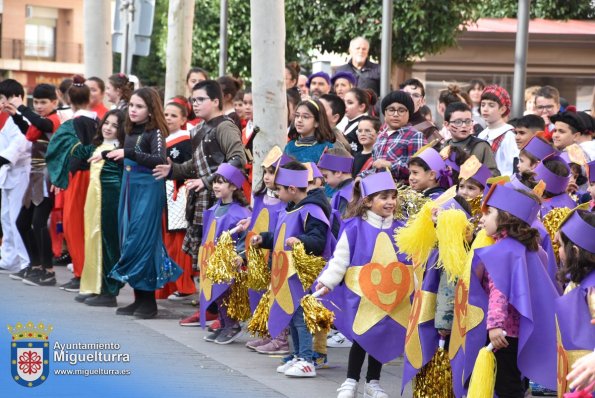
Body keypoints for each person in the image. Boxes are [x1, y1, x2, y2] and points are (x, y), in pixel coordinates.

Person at [316, 171, 411, 398]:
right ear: (368, 201)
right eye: (383, 197)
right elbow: (340, 259)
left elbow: (409, 262)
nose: (390, 202)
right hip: (360, 296)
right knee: (361, 337)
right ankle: (350, 380)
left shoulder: (402, 228)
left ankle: (373, 382)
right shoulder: (355, 227)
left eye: (392, 197)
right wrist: (328, 282)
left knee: (382, 335)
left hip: (390, 296)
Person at [152, 80, 246, 305]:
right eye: (194, 100)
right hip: (201, 200)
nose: (196, 104)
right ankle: (209, 306)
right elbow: (194, 165)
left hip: (221, 200)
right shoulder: (197, 129)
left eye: (201, 99)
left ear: (216, 101)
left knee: (219, 255)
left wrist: (207, 180)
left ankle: (219, 310)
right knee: (205, 254)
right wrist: (173, 170)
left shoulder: (225, 126)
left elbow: (238, 159)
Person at [464, 183, 559, 397]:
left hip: (502, 332)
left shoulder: (502, 251)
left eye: (489, 213)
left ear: (506, 218)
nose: (482, 219)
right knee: (513, 381)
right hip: (520, 330)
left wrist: (494, 325)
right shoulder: (533, 249)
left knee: (505, 385)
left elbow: (499, 292)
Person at [251, 161, 334, 378]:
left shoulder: (312, 209)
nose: (276, 193)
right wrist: (264, 239)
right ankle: (298, 355)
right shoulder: (291, 208)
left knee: (299, 316)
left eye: (278, 189)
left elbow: (318, 239)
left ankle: (307, 360)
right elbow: (281, 237)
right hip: (285, 273)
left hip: (300, 274)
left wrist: (300, 241)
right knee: (291, 315)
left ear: (292, 189)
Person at [106, 87, 182, 319]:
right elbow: (129, 156)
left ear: (151, 111)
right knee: (129, 240)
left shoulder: (156, 131)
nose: (133, 110)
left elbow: (158, 159)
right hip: (130, 188)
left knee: (142, 242)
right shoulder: (130, 130)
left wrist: (128, 153)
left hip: (148, 189)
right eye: (131, 106)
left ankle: (149, 302)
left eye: (139, 106)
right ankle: (140, 299)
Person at [46, 109, 125, 304]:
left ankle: (109, 291)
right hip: (93, 204)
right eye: (107, 123)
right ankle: (94, 286)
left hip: (110, 203)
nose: (108, 128)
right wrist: (67, 126)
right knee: (92, 241)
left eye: (115, 125)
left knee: (108, 245)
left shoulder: (120, 150)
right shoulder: (95, 147)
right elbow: (72, 150)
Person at [46, 75, 98, 291]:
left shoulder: (74, 122)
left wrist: (60, 176)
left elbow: (67, 153)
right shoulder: (98, 119)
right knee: (88, 225)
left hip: (78, 176)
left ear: (69, 98)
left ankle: (80, 272)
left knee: (74, 225)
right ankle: (86, 271)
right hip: (94, 175)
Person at [10, 83, 61, 283]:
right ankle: (36, 265)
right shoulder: (42, 121)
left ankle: (48, 272)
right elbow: (29, 131)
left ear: (54, 102)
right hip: (35, 176)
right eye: (36, 102)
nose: (39, 106)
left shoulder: (54, 119)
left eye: (43, 102)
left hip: (46, 176)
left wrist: (22, 108)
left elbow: (43, 126)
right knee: (22, 222)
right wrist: (15, 114)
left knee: (39, 223)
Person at [242, 147, 291, 353]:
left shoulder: (286, 202)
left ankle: (280, 339)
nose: (269, 177)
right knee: (259, 295)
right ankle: (266, 334)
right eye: (267, 173)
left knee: (276, 295)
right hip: (258, 256)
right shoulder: (260, 197)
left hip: (276, 256)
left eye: (273, 172)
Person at [199, 163, 251, 344]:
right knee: (217, 293)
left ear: (234, 187)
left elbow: (245, 238)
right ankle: (223, 323)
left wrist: (239, 255)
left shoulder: (240, 213)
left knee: (227, 293)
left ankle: (232, 324)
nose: (215, 186)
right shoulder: (214, 209)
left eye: (221, 182)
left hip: (230, 262)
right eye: (215, 182)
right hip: (213, 260)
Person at [155, 98, 195, 301]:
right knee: (166, 240)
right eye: (166, 114)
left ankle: (183, 284)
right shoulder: (160, 137)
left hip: (178, 194)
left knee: (178, 240)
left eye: (173, 115)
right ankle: (167, 285)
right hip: (163, 193)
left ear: (183, 119)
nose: (168, 118)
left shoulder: (185, 139)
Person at [555, 210, 595, 393]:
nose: (558, 251)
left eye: (561, 246)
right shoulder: (579, 281)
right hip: (578, 373)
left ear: (575, 252)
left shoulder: (592, 288)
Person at [0, 79, 31, 274]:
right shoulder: (7, 119)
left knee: (16, 218)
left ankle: (24, 260)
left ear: (14, 98)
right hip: (7, 172)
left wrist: (4, 158)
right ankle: (9, 257)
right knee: (6, 217)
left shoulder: (22, 119)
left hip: (20, 172)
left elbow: (21, 143)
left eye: (2, 98)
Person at [362, 91, 425, 182]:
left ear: (409, 114)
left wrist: (390, 165)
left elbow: (418, 170)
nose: (395, 114)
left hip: (402, 192)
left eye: (401, 110)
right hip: (378, 190)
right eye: (391, 110)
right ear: (385, 112)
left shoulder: (415, 136)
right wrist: (361, 176)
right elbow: (375, 166)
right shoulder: (380, 135)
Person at [443, 102, 499, 176]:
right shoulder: (445, 146)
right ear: (447, 125)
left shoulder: (481, 146)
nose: (464, 125)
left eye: (468, 121)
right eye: (458, 122)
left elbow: (494, 175)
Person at [478, 84, 518, 176]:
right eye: (483, 105)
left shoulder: (509, 135)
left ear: (502, 109)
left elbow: (513, 168)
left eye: (491, 105)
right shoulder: (482, 134)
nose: (485, 109)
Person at [284, 99, 335, 163]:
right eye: (297, 116)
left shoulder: (326, 147)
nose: (299, 120)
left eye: (305, 117)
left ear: (317, 122)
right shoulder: (289, 146)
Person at [317, 148, 354, 236]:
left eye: (326, 176)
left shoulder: (345, 195)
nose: (325, 181)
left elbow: (341, 225)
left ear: (338, 172)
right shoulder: (350, 189)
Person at [399, 78, 442, 145]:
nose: (410, 98)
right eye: (407, 94)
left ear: (422, 102)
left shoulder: (428, 129)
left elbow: (437, 154)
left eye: (416, 95)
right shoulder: (391, 122)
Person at [342, 88, 373, 153]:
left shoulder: (365, 124)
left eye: (350, 103)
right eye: (343, 102)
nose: (344, 105)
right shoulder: (350, 122)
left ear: (361, 107)